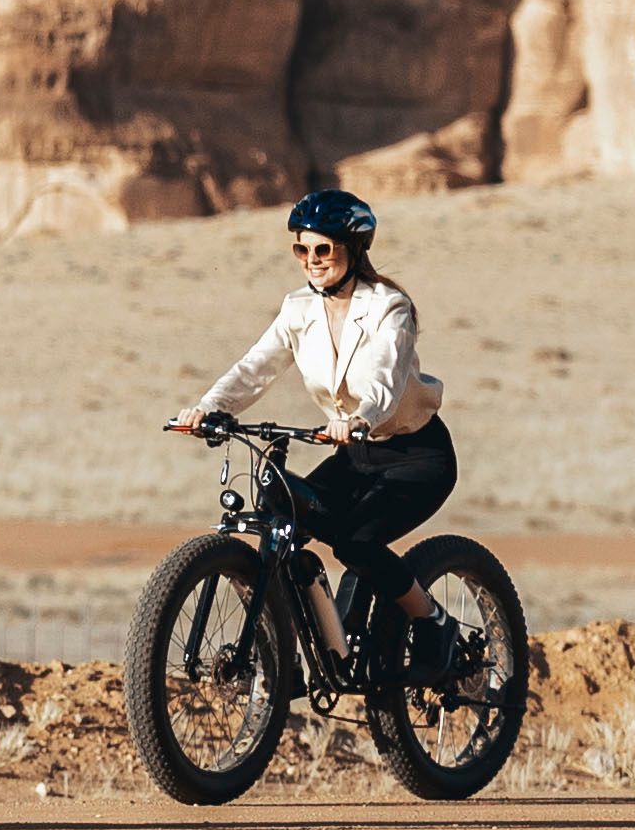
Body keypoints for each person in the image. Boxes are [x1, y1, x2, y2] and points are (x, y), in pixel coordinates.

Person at [164, 187, 461, 673]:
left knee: (355, 543)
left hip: (414, 455)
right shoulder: (298, 308)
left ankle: (432, 622)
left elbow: (386, 375)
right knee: (285, 511)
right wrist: (208, 408)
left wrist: (362, 417)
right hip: (356, 456)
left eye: (322, 249)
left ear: (353, 248)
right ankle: (309, 648)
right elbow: (255, 367)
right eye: (301, 249)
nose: (311, 260)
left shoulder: (389, 307)